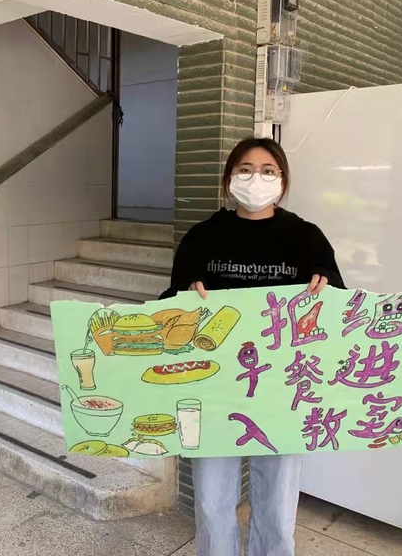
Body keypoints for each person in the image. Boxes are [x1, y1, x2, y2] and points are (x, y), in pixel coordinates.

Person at [160, 137, 344, 556]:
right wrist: (186, 293)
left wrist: (327, 286)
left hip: (284, 389)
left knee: (277, 508)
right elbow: (169, 306)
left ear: (283, 181)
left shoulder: (306, 238)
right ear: (229, 178)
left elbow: (340, 313)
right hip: (213, 387)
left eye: (268, 170)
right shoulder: (202, 237)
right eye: (244, 169)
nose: (255, 178)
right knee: (212, 504)